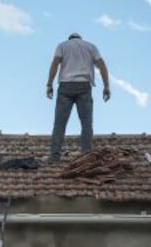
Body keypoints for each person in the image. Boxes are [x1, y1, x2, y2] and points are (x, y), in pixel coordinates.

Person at [46, 33, 110, 162]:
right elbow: (101, 63)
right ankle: (86, 156)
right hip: (84, 86)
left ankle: (54, 156)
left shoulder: (62, 45)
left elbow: (55, 63)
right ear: (80, 38)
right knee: (86, 123)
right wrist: (106, 86)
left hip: (65, 86)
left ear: (70, 38)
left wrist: (49, 84)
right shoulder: (90, 46)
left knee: (59, 124)